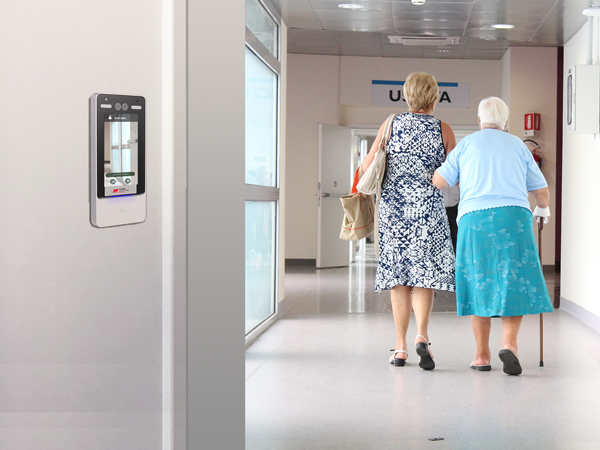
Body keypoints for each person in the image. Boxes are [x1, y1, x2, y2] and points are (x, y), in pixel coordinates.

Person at [432, 96, 554, 376]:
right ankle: (509, 345)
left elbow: (441, 181)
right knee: (513, 279)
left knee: (479, 281)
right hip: (514, 218)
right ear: (506, 122)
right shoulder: (517, 146)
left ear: (479, 120)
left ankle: (482, 355)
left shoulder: (466, 144)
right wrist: (543, 209)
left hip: (475, 221)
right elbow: (541, 190)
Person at [361, 72, 456, 370]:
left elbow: (367, 166)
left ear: (406, 96)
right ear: (435, 97)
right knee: (424, 277)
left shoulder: (391, 124)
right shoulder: (443, 129)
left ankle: (400, 347)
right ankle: (422, 336)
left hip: (393, 212)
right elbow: (452, 175)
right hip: (427, 212)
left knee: (398, 279)